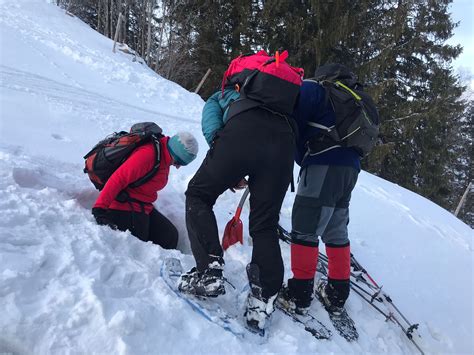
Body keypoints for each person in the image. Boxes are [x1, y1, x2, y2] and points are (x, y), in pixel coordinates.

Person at [178, 58, 300, 333]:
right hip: (284, 143)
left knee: (198, 194)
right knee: (265, 224)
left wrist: (228, 167)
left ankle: (208, 271)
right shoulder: (283, 98)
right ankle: (264, 297)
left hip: (242, 133)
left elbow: (212, 127)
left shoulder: (222, 95)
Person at [277, 64, 362, 316]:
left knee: (305, 226)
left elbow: (293, 122)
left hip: (323, 162)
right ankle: (337, 294)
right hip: (351, 169)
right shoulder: (356, 99)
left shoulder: (316, 88)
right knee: (336, 228)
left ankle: (299, 294)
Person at [91, 130, 199, 249]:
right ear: (173, 152)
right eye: (179, 162)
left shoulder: (164, 156)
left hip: (143, 207)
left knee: (170, 236)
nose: (178, 167)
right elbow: (118, 179)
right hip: (123, 205)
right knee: (139, 247)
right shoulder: (147, 155)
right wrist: (99, 208)